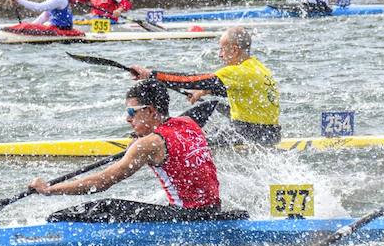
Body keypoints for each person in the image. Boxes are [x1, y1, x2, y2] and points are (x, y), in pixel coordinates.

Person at [29, 79, 245, 223]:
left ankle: (52, 228)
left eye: (131, 112)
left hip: (186, 218)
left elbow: (103, 182)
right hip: (213, 211)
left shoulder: (149, 145)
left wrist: (51, 189)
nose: (127, 118)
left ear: (150, 111)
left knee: (103, 207)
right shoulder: (188, 123)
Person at [129, 26, 281, 147]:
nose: (220, 55)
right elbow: (240, 92)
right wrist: (204, 91)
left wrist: (152, 75)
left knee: (193, 139)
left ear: (234, 49)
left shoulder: (237, 72)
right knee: (212, 106)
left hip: (252, 134)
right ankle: (168, 131)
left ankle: (164, 137)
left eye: (222, 49)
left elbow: (190, 80)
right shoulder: (257, 67)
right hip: (270, 132)